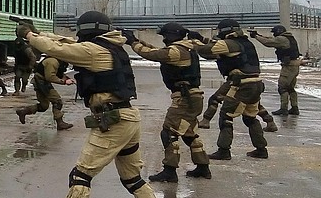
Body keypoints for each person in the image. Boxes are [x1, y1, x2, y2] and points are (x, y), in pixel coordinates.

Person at [18, 12, 170, 198]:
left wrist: (28, 35)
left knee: (81, 175)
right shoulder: (109, 46)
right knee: (133, 179)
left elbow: (60, 50)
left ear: (87, 29)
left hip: (113, 122)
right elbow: (65, 42)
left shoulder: (93, 51)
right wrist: (37, 33)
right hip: (127, 119)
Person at [124, 23, 209, 182]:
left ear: (171, 35)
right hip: (192, 97)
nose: (163, 39)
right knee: (189, 133)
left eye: (164, 36)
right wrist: (136, 40)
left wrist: (133, 43)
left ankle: (170, 171)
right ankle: (202, 166)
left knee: (169, 132)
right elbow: (157, 51)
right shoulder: (187, 47)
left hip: (184, 98)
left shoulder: (177, 51)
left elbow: (153, 55)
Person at [194, 19, 270, 160]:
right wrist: (202, 38)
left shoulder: (229, 44)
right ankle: (261, 149)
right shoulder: (246, 43)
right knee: (250, 117)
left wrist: (195, 42)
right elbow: (219, 47)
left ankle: (224, 150)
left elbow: (205, 51)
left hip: (242, 85)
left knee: (226, 117)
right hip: (255, 83)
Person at [250, 25, 302, 116]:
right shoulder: (288, 37)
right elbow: (270, 39)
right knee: (290, 88)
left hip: (289, 66)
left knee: (282, 88)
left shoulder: (282, 39)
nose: (274, 34)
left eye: (274, 33)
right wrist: (258, 35)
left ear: (278, 31)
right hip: (294, 65)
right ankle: (294, 108)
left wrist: (256, 36)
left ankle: (284, 109)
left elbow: (268, 42)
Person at [15, 52, 74, 130]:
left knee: (44, 106)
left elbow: (58, 73)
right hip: (41, 82)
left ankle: (23, 112)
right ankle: (60, 123)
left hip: (40, 81)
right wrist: (64, 82)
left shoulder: (56, 60)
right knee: (57, 101)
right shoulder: (52, 61)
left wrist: (66, 78)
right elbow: (50, 76)